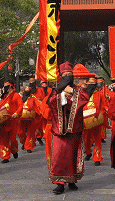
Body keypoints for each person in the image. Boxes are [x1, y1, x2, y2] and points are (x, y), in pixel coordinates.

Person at [48, 62, 89, 194]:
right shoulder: (56, 90)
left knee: (73, 155)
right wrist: (61, 94)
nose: (67, 77)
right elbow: (50, 102)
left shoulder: (78, 89)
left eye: (69, 75)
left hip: (74, 128)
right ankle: (59, 182)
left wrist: (72, 91)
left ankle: (71, 180)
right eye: (65, 75)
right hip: (60, 129)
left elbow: (85, 98)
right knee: (59, 156)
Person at [0, 81, 23, 163]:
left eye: (7, 86)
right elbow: (0, 107)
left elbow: (20, 106)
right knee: (4, 139)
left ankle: (14, 151)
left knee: (12, 139)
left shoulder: (16, 95)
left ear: (11, 87)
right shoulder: (3, 97)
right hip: (4, 120)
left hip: (13, 120)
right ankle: (5, 156)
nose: (5, 88)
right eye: (4, 86)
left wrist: (16, 113)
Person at [83, 77, 105, 166]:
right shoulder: (83, 94)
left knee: (97, 139)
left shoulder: (100, 94)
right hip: (86, 120)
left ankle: (97, 157)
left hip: (96, 119)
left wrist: (101, 114)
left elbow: (104, 106)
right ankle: (88, 152)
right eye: (90, 83)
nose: (91, 85)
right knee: (86, 139)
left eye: (93, 83)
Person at [20, 81, 41, 153]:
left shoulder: (33, 98)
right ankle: (24, 143)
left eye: (28, 90)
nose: (26, 92)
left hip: (31, 118)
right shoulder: (21, 98)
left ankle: (28, 147)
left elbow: (38, 106)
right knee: (21, 132)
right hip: (21, 118)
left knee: (30, 132)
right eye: (25, 90)